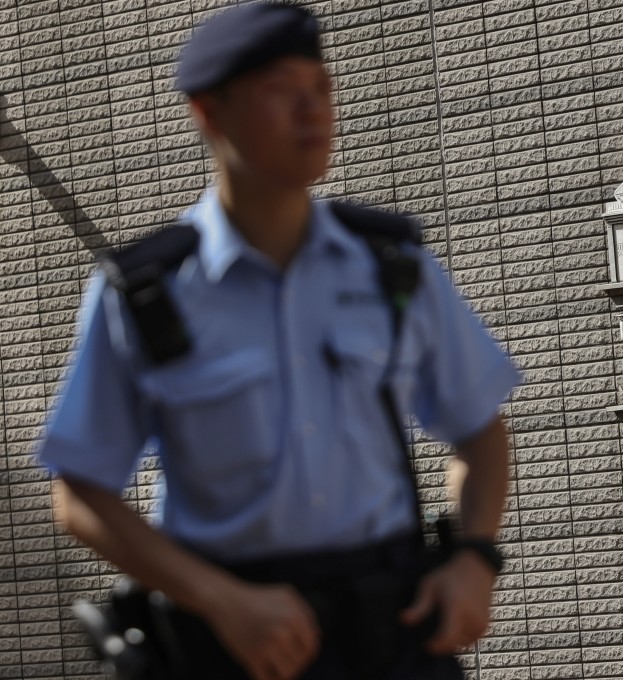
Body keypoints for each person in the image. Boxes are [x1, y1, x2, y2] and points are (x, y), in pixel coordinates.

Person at [36, 4, 519, 679]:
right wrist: (218, 599)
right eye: (282, 91)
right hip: (235, 645)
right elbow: (80, 494)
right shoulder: (146, 293)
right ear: (209, 112)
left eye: (321, 88)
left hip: (395, 634)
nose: (314, 110)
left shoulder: (391, 267)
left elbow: (480, 432)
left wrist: (475, 558)